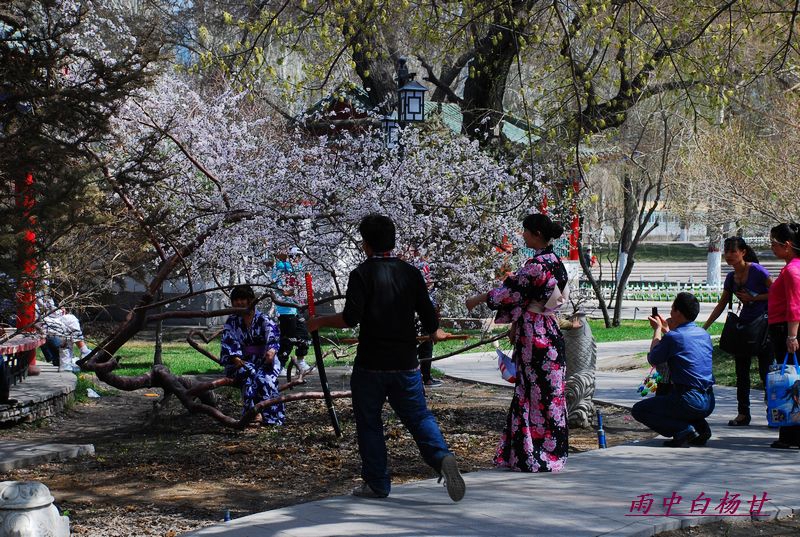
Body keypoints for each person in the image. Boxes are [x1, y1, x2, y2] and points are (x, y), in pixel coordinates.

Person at [307, 214, 465, 501]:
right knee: (418, 415)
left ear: (365, 244)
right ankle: (441, 456)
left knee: (369, 421)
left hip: (371, 363)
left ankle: (377, 483)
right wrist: (434, 331)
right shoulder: (411, 273)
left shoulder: (361, 274)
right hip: (405, 362)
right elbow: (428, 314)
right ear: (392, 240)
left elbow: (350, 319)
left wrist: (320, 321)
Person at [466, 213, 569, 472]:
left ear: (536, 234)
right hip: (549, 330)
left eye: (525, 231)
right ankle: (552, 451)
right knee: (550, 392)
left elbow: (509, 294)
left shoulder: (535, 265)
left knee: (532, 391)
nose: (522, 236)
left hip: (535, 335)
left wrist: (478, 298)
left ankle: (533, 454)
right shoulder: (556, 261)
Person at [701, 237, 772, 426]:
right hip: (744, 328)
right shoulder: (731, 277)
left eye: (733, 251)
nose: (729, 255)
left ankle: (773, 412)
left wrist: (754, 298)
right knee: (741, 372)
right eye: (727, 252)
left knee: (767, 372)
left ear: (743, 252)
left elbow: (776, 292)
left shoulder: (756, 270)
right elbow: (722, 304)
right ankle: (743, 413)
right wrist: (704, 328)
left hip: (764, 327)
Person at [632, 292, 715, 447]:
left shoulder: (674, 337)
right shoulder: (704, 334)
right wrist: (666, 330)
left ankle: (683, 430)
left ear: (678, 312)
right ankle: (701, 428)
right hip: (709, 401)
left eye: (672, 309)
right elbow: (681, 344)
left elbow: (653, 359)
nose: (670, 312)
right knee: (676, 404)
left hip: (688, 400)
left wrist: (657, 329)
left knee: (639, 410)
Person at [220, 284, 284, 426]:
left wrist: (271, 351)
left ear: (251, 300)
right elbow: (228, 340)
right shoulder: (232, 321)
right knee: (248, 374)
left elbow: (273, 337)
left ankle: (273, 416)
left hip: (264, 361)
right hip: (241, 361)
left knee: (265, 380)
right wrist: (235, 357)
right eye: (236, 299)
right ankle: (253, 414)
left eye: (242, 299)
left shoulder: (263, 319)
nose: (239, 302)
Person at [766, 223, 800, 449]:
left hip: (786, 331)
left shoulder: (792, 271)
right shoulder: (792, 266)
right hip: (785, 329)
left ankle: (791, 435)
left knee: (791, 383)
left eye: (774, 243)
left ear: (787, 245)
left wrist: (791, 336)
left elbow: (794, 305)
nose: (771, 247)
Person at [270, 247, 312, 374]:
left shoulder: (297, 268)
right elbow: (278, 285)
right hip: (285, 309)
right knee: (288, 339)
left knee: (304, 335)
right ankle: (280, 365)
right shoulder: (280, 267)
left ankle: (300, 361)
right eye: (295, 256)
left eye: (299, 256)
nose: (297, 259)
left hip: (296, 307)